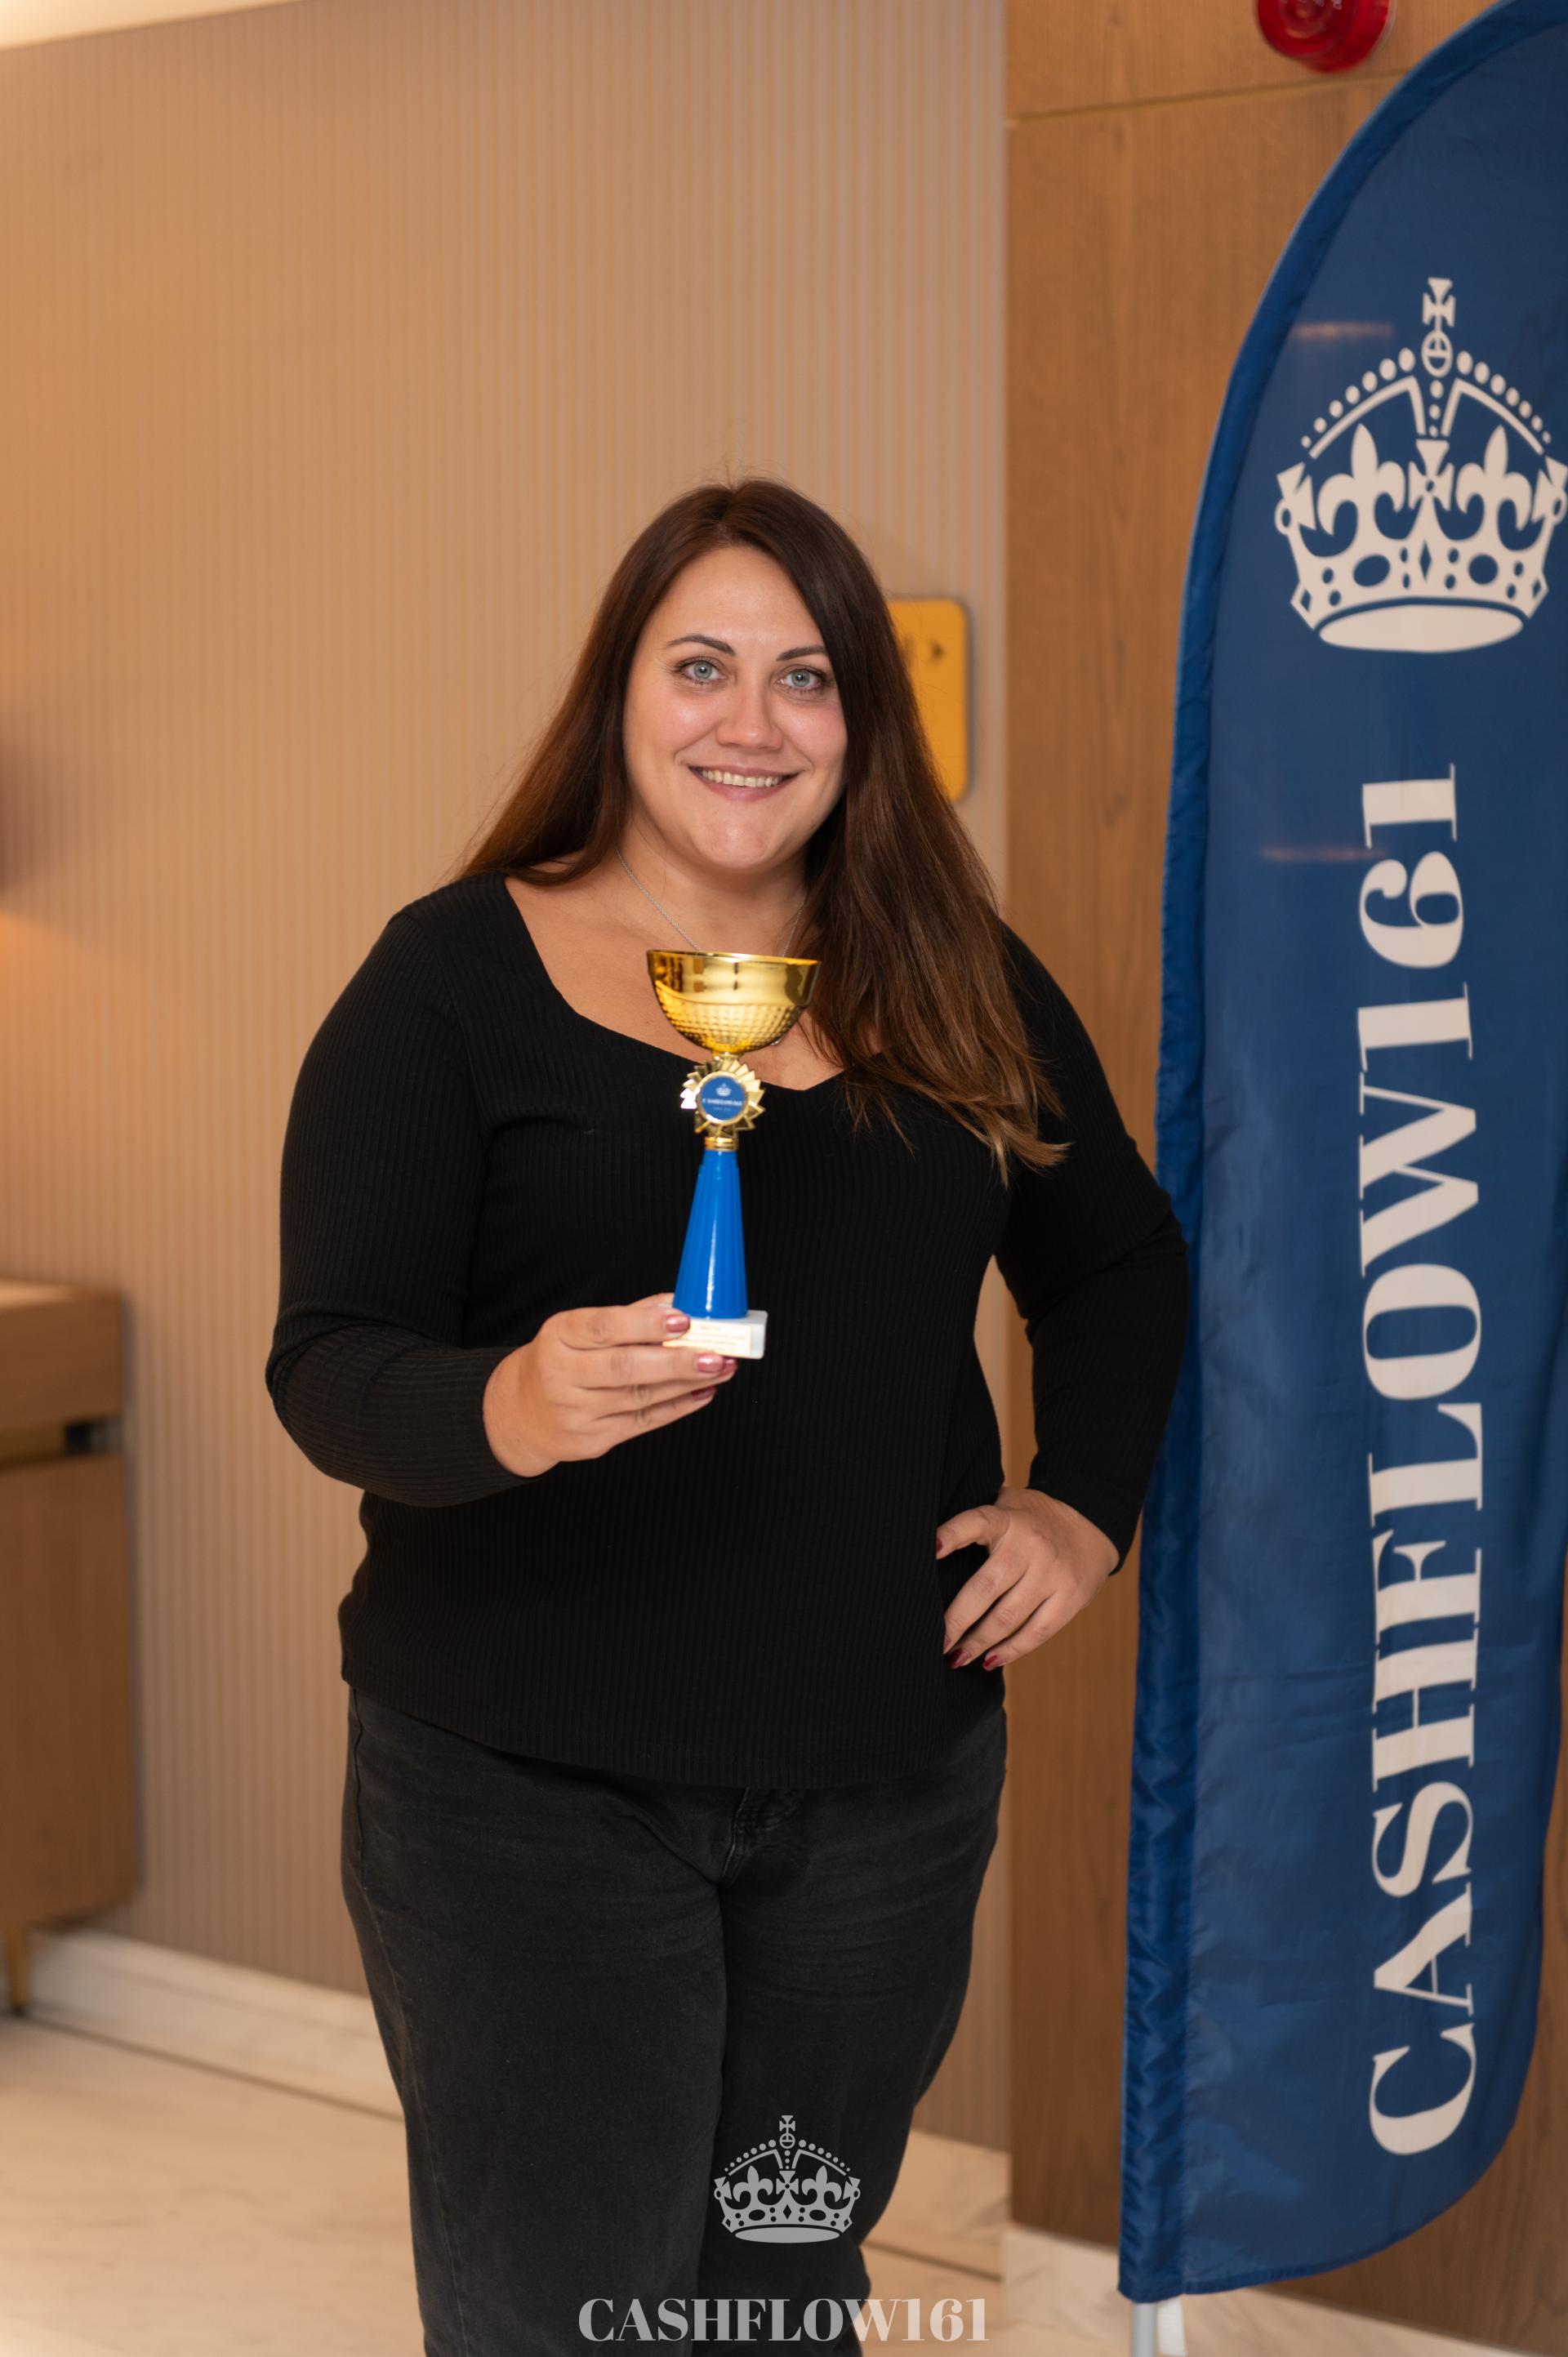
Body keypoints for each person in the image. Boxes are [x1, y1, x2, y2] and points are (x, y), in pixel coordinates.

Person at [265, 476, 1189, 2356]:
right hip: (522, 1786)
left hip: (882, 1787)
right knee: (565, 2313)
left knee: (783, 2293)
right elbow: (331, 1363)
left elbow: (1117, 1263)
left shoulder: (958, 975)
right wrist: (510, 1403)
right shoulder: (448, 982)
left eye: (808, 676)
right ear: (619, 692)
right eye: (701, 667)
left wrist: (1081, 1507)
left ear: (864, 721)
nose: (751, 722)